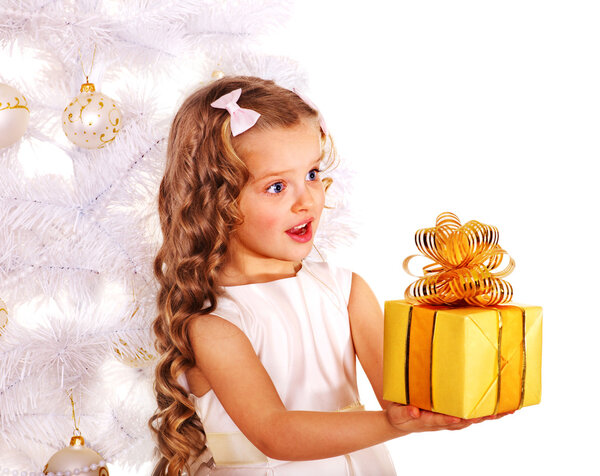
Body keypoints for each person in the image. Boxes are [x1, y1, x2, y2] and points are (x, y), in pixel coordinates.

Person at [149, 76, 498, 476]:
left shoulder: (345, 290)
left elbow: (405, 398)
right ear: (217, 200)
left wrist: (468, 343)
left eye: (312, 174)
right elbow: (274, 433)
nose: (307, 200)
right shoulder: (217, 323)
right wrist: (393, 424)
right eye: (277, 186)